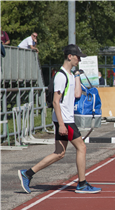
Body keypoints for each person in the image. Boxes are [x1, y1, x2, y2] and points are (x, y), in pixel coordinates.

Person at [18, 44, 101, 194]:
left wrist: (77, 76)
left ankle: (27, 174)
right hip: (65, 120)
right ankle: (82, 184)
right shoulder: (61, 76)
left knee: (59, 153)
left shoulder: (69, 75)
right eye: (78, 57)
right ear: (70, 56)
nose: (79, 60)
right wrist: (61, 124)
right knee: (81, 147)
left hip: (66, 119)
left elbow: (77, 95)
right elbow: (56, 101)